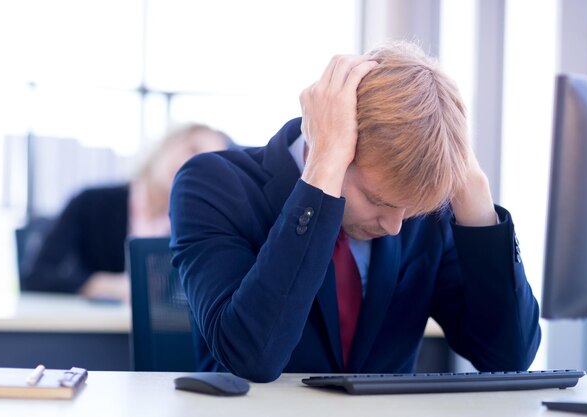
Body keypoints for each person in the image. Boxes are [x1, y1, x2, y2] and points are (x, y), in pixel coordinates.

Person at [169, 41, 541, 382]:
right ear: (329, 143)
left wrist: (472, 188)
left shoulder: (421, 214)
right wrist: (323, 172)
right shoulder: (212, 186)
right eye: (377, 200)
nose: (395, 226)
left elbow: (507, 357)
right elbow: (253, 356)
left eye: (407, 209)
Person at [22, 124, 232, 302]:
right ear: (167, 146)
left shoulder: (200, 227)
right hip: (91, 332)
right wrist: (98, 284)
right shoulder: (90, 202)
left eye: (208, 160)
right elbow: (35, 276)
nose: (192, 164)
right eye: (191, 149)